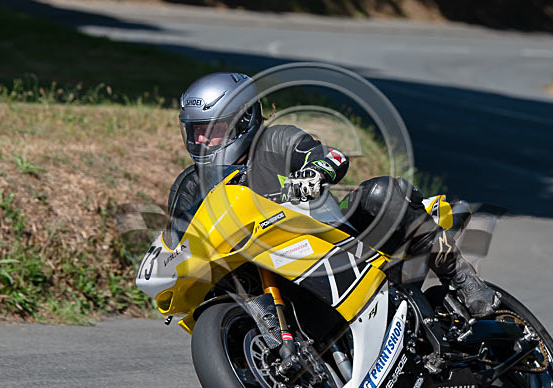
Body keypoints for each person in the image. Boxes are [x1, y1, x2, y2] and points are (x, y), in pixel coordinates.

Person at [169, 72, 499, 318]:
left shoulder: (274, 141)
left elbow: (331, 155)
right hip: (261, 275)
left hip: (332, 241)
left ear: (243, 121)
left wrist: (314, 173)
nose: (201, 141)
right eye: (195, 131)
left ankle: (464, 280)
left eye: (211, 130)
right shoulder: (188, 187)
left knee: (381, 192)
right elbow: (177, 241)